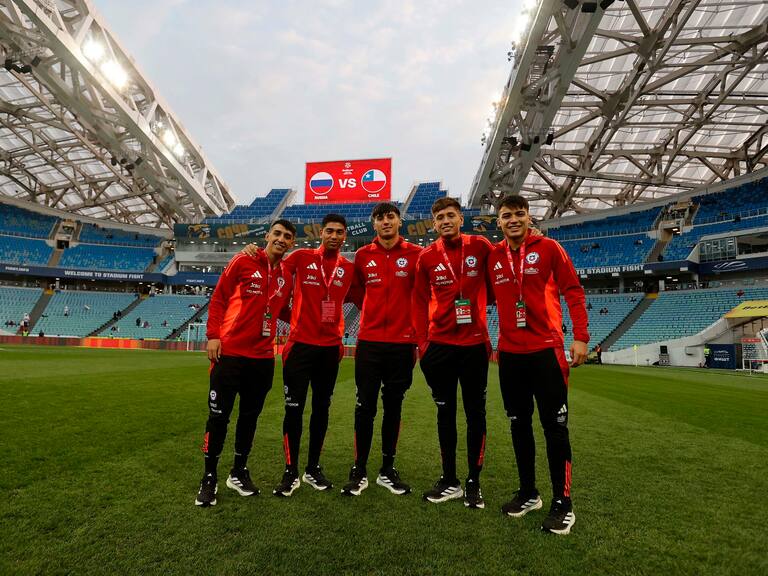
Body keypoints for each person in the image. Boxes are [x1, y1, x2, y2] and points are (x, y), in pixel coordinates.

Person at [486, 195, 588, 535]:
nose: (513, 219)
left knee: (555, 427)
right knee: (518, 425)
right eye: (506, 215)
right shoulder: (494, 256)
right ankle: (529, 492)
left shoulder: (549, 248)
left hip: (546, 350)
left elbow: (573, 290)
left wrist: (581, 337)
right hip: (510, 354)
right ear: (498, 222)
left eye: (519, 213)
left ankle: (564, 503)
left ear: (529, 217)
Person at [195, 219, 296, 507]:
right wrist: (213, 336)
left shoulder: (287, 275)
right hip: (230, 355)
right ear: (267, 236)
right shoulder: (243, 259)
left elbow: (284, 311)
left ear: (292, 244)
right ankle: (209, 477)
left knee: (249, 418)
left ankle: (238, 471)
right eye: (277, 233)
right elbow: (219, 299)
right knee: (218, 418)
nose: (281, 239)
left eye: (287, 236)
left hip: (263, 359)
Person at [412, 197, 494, 509]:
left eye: (450, 215)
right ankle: (449, 480)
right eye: (439, 218)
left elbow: (509, 262)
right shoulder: (427, 256)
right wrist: (423, 344)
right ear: (434, 224)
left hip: (473, 346)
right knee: (445, 414)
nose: (445, 221)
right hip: (440, 347)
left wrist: (534, 236)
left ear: (461, 218)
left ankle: (474, 481)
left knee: (476, 415)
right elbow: (418, 301)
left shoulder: (482, 246)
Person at [340, 202, 423, 497]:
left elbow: (425, 293)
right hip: (370, 343)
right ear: (373, 224)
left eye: (390, 216)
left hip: (402, 345)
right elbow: (354, 290)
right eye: (380, 218)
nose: (385, 221)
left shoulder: (416, 255)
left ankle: (388, 469)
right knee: (365, 407)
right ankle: (359, 469)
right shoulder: (363, 256)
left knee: (393, 407)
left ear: (400, 221)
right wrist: (373, 310)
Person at [271, 214, 355, 497]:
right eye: (329, 231)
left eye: (339, 232)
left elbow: (368, 297)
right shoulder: (299, 258)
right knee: (293, 409)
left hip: (330, 349)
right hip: (300, 348)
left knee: (322, 410)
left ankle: (313, 468)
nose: (334, 236)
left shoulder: (348, 268)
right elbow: (273, 276)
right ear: (321, 232)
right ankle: (290, 470)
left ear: (345, 236)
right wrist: (292, 318)